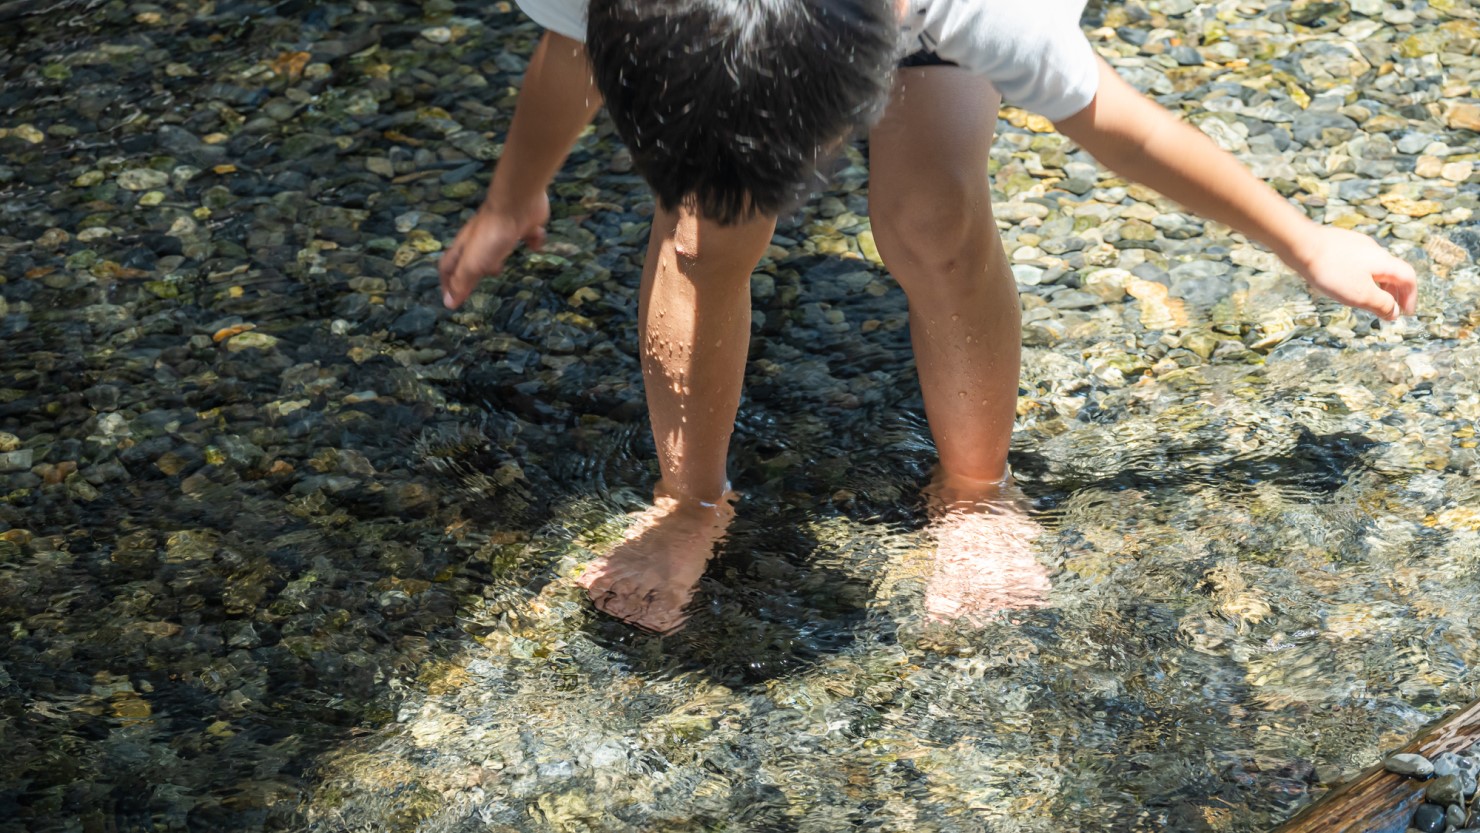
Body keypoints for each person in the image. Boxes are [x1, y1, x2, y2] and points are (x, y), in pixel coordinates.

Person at [437, 0, 1419, 634]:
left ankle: (976, 489)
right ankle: (690, 496)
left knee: (933, 214)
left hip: (898, 25)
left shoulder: (986, 11)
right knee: (702, 234)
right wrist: (512, 197)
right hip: (747, 28)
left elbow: (1126, 127)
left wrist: (1300, 238)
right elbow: (568, 51)